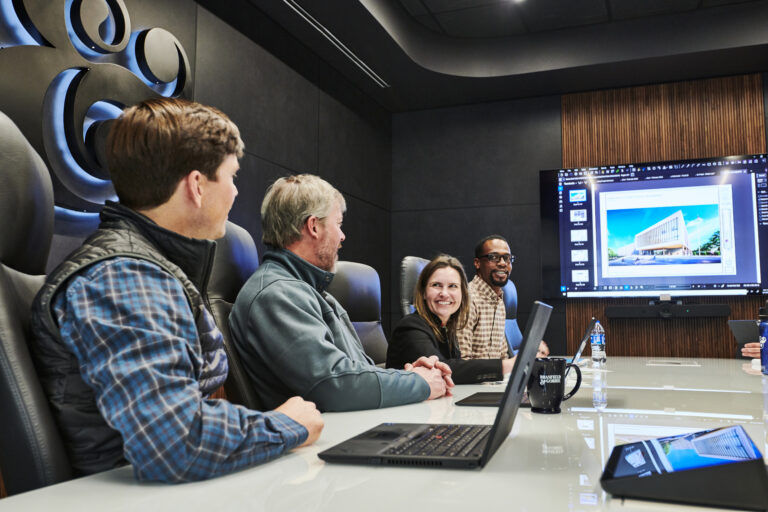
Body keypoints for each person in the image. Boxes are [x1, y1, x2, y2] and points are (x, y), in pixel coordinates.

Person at [29, 98, 323, 483]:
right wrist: (285, 424)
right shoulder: (125, 276)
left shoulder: (146, 268)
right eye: (231, 177)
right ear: (197, 185)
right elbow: (176, 443)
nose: (235, 193)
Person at [230, 174, 453, 412]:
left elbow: (356, 372)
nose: (342, 236)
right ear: (314, 226)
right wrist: (419, 383)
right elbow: (334, 385)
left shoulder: (311, 292)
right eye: (338, 224)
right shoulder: (276, 295)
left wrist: (409, 376)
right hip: (325, 433)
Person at [387, 254, 516, 384]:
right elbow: (442, 369)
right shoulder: (410, 328)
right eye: (436, 285)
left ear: (462, 293)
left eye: (452, 286)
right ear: (424, 292)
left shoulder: (447, 327)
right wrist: (508, 365)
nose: (444, 293)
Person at [457, 235, 549, 360]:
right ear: (477, 263)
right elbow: (463, 361)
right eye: (493, 257)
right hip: (475, 374)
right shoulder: (467, 300)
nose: (502, 263)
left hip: (498, 373)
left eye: (507, 258)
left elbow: (503, 358)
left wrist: (530, 355)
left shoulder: (499, 301)